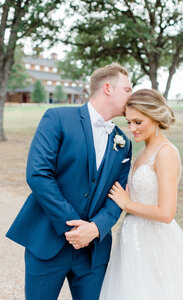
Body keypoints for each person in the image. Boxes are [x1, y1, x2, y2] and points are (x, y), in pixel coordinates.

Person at [6, 63, 133, 300]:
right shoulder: (57, 118)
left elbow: (119, 194)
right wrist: (74, 228)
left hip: (94, 252)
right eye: (127, 89)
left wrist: (94, 228)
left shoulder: (123, 142)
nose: (131, 95)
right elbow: (38, 174)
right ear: (107, 88)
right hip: (47, 242)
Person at [99, 89, 183, 300]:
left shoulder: (165, 153)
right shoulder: (144, 151)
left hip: (153, 240)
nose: (131, 129)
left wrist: (127, 204)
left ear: (154, 118)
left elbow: (166, 213)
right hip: (131, 237)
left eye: (138, 122)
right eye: (129, 122)